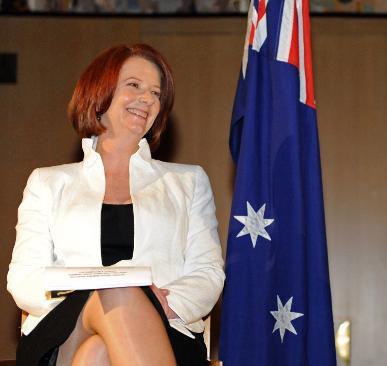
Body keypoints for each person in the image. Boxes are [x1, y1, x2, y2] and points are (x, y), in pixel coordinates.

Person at [7, 44, 225, 366]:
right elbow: (23, 277)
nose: (148, 99)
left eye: (156, 92)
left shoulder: (188, 182)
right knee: (119, 290)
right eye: (134, 85)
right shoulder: (47, 183)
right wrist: (89, 292)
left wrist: (166, 304)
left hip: (166, 325)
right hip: (64, 329)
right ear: (100, 93)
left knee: (98, 354)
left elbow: (207, 271)